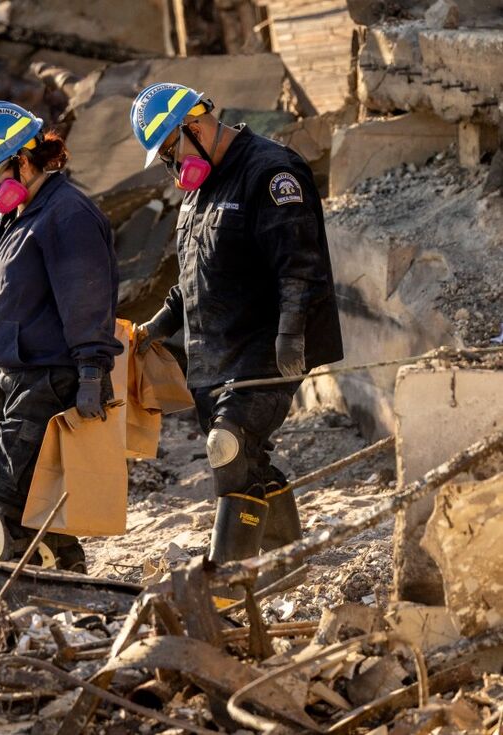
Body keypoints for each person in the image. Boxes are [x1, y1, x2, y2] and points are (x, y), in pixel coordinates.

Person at [129, 83, 343, 573]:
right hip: (214, 354)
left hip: (265, 346)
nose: (170, 165)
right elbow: (195, 275)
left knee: (226, 446)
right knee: (246, 459)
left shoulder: (270, 171)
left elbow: (299, 264)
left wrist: (291, 333)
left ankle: (230, 576)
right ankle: (289, 560)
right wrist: (161, 324)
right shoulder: (198, 189)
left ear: (197, 125)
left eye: (170, 149)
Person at [0, 100, 123, 572]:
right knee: (39, 512)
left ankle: (9, 602)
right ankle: (69, 593)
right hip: (17, 377)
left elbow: (87, 300)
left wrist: (92, 371)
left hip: (52, 378)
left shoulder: (68, 216)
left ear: (24, 161)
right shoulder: (5, 223)